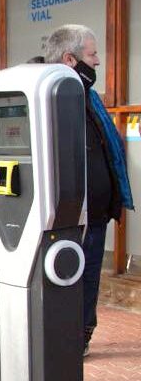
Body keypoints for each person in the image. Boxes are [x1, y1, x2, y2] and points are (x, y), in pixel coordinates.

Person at [45, 24, 134, 356]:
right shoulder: (51, 98)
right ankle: (67, 342)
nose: (97, 61)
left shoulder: (88, 97)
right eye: (92, 54)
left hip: (95, 215)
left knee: (89, 279)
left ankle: (81, 336)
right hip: (67, 217)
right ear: (70, 59)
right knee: (68, 281)